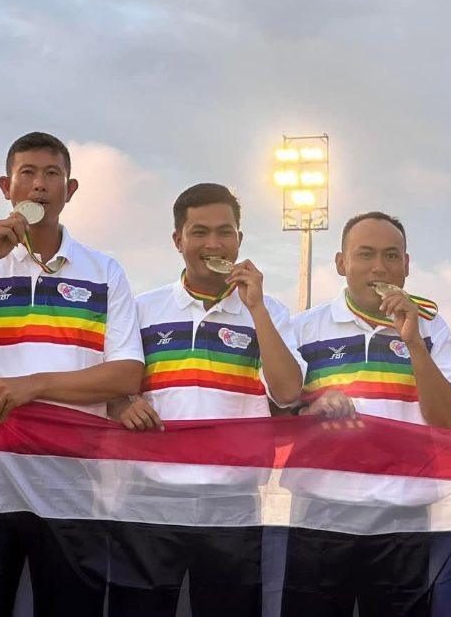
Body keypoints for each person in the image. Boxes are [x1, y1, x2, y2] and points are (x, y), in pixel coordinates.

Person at [0, 131, 145, 615]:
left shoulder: (104, 271)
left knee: (70, 600)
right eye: (28, 173)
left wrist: (34, 387)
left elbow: (125, 375)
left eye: (52, 174)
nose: (40, 185)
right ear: (6, 186)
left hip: (74, 464)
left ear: (71, 189)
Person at [106, 183, 306, 616]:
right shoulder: (141, 309)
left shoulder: (269, 311)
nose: (213, 243)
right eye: (199, 232)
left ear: (240, 239)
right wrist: (121, 406)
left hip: (231, 503)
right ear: (178, 239)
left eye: (225, 232)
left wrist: (255, 310)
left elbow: (289, 393)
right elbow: (113, 392)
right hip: (149, 498)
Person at [282, 211, 451, 616]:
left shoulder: (433, 330)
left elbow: (447, 419)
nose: (379, 267)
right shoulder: (303, 328)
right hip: (322, 510)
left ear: (406, 264)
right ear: (341, 263)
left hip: (403, 513)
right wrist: (312, 404)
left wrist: (414, 341)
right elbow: (277, 412)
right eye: (365, 255)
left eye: (390, 255)